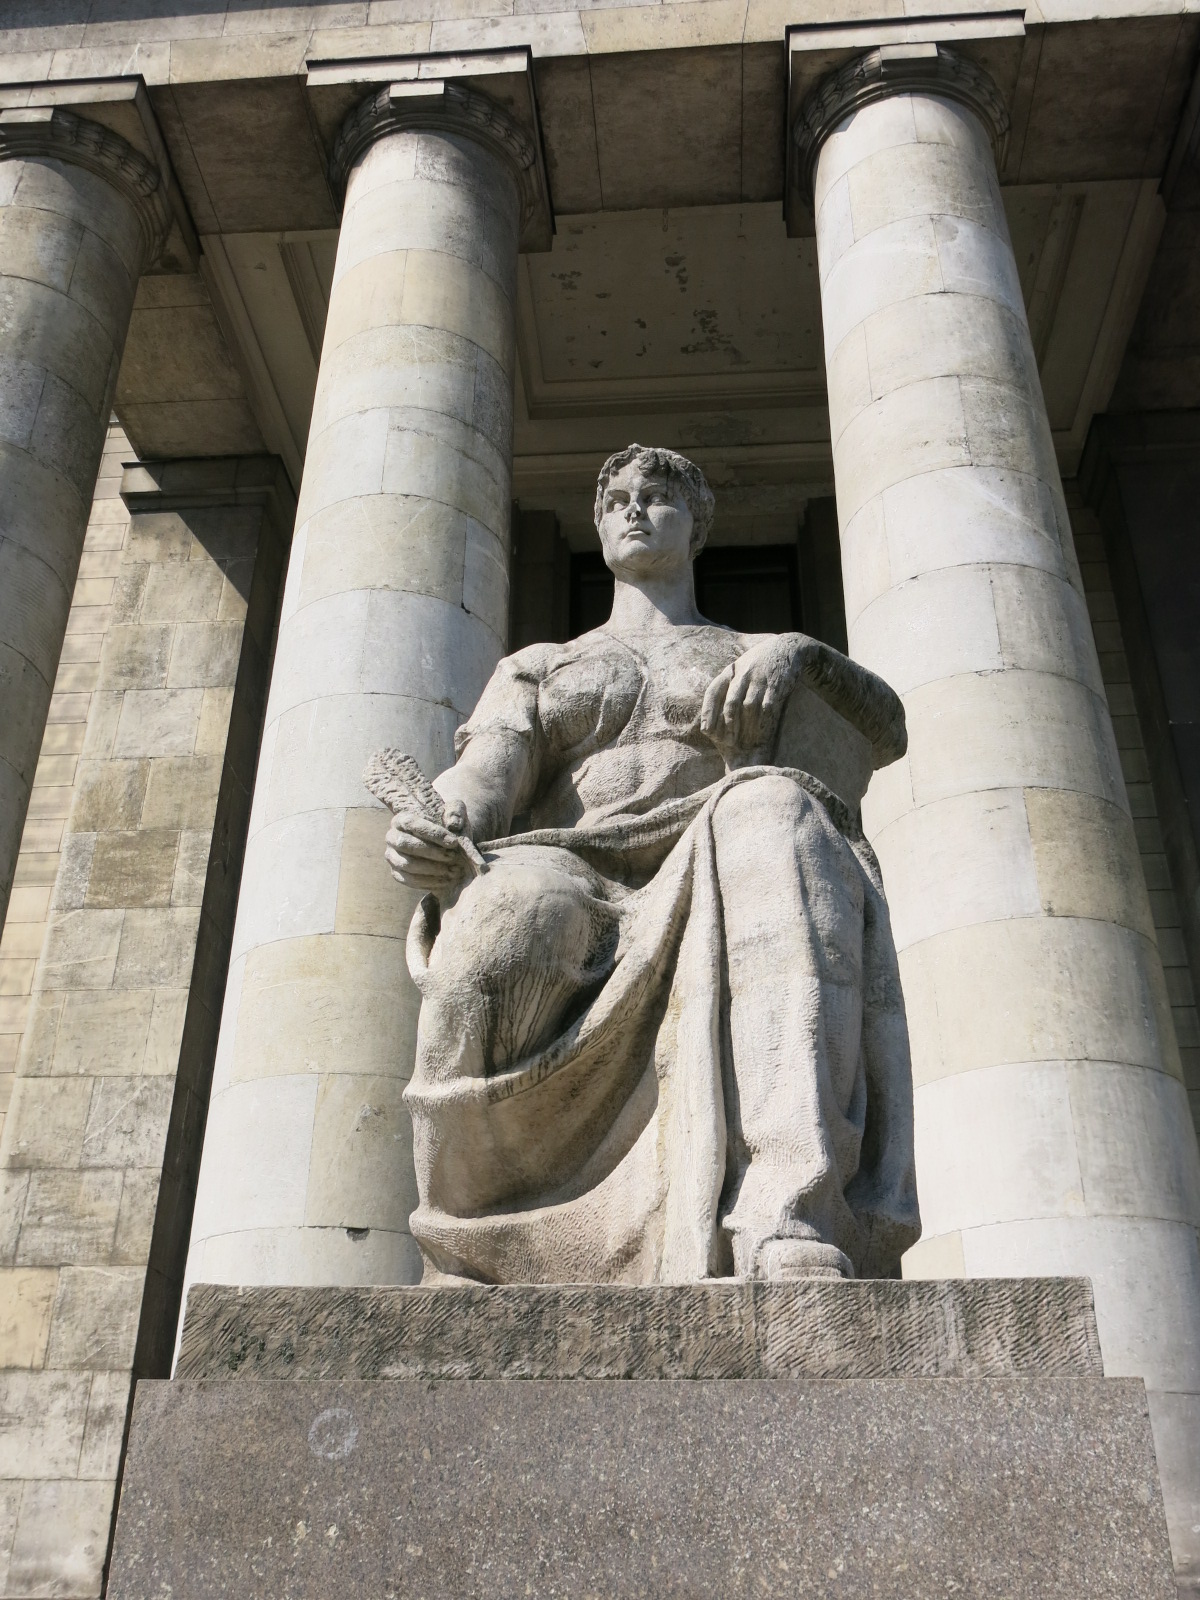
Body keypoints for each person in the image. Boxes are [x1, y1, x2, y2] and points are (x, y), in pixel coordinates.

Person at [385, 443, 920, 1284]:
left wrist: (800, 654)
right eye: (616, 501)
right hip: (574, 866)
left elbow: (885, 727)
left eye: (658, 496)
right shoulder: (540, 665)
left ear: (696, 526)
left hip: (713, 851)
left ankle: (787, 1209)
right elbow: (484, 778)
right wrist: (438, 822)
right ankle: (464, 1230)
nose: (634, 509)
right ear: (599, 528)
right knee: (501, 919)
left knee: (777, 811)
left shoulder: (751, 649)